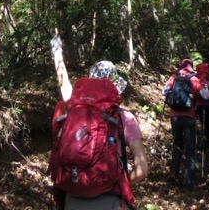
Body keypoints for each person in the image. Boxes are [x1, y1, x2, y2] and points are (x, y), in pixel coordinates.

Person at [50, 36, 148, 210]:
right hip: (109, 201)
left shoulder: (72, 110)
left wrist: (57, 52)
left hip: (72, 199)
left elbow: (63, 82)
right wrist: (117, 179)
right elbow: (142, 170)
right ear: (115, 88)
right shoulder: (125, 119)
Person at [161, 57, 203, 189]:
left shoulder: (174, 76)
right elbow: (201, 94)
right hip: (189, 116)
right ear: (191, 66)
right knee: (190, 148)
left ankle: (174, 172)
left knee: (177, 143)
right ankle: (188, 181)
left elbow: (164, 92)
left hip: (174, 116)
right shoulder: (193, 78)